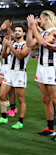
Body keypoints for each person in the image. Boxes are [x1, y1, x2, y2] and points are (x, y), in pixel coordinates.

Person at [0, 24, 31, 129]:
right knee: (2, 95)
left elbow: (20, 56)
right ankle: (4, 117)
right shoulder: (13, 43)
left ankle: (20, 121)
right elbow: (4, 56)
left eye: (19, 31)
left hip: (20, 73)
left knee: (21, 99)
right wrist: (6, 46)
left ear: (24, 33)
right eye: (16, 30)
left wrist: (9, 46)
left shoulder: (27, 44)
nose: (17, 32)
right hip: (9, 72)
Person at [26, 11, 56, 140]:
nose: (38, 20)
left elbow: (43, 42)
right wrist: (30, 28)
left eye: (40, 18)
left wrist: (34, 26)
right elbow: (29, 44)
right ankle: (50, 128)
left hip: (51, 68)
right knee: (45, 99)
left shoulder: (54, 31)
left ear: (46, 18)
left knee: (55, 100)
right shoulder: (42, 32)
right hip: (41, 68)